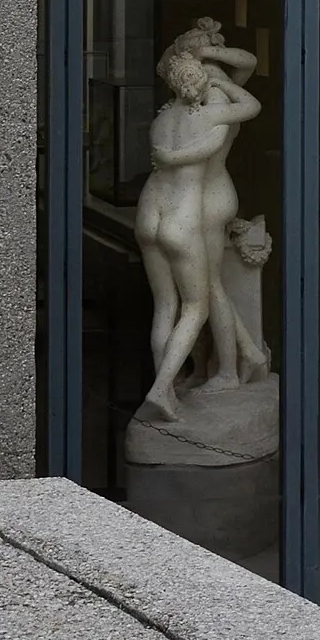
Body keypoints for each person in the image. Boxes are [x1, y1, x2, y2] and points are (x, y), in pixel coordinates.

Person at [134, 21, 265, 420]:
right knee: (202, 296)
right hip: (189, 206)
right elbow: (249, 102)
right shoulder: (213, 113)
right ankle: (223, 365)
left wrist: (204, 56)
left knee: (175, 301)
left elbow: (248, 62)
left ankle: (219, 368)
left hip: (169, 205)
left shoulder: (164, 118)